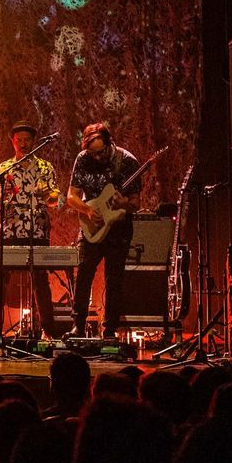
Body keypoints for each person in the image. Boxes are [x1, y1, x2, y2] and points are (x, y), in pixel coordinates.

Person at [0, 121, 63, 337]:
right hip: (10, 232)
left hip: (37, 231)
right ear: (13, 142)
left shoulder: (45, 168)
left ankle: (49, 330)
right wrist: (6, 193)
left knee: (40, 281)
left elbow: (55, 200)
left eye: (27, 140)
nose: (23, 144)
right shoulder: (4, 168)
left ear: (34, 142)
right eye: (19, 140)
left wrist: (49, 195)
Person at [64, 122, 142, 338]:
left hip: (119, 228)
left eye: (101, 152)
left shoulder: (127, 161)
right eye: (93, 153)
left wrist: (123, 203)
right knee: (84, 273)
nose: (97, 158)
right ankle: (78, 324)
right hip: (92, 225)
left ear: (110, 143)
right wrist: (87, 210)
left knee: (113, 278)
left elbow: (136, 203)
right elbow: (71, 196)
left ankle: (110, 329)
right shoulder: (83, 159)